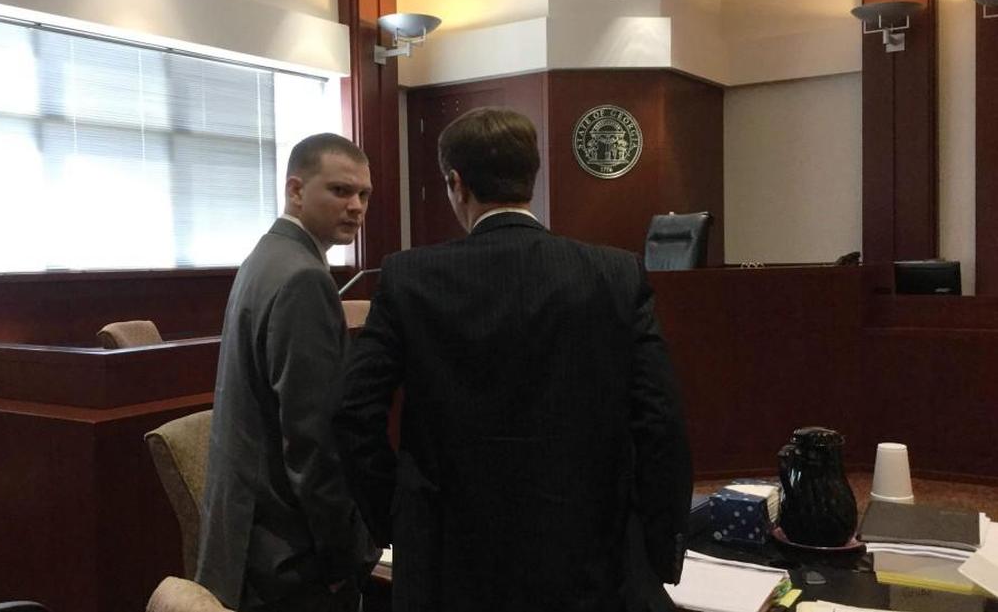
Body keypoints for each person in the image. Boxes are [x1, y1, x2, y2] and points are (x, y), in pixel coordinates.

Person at [333, 107, 693, 612]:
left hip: (444, 560)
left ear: (456, 183)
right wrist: (659, 549)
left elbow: (353, 413)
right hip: (587, 554)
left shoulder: (408, 277)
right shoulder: (615, 274)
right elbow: (660, 422)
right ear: (533, 175)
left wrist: (395, 518)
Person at [197, 133, 378, 612]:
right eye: (340, 191)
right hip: (287, 557)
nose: (356, 207)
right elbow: (312, 442)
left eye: (364, 195)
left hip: (248, 537)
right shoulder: (302, 277)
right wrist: (346, 559)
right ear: (296, 191)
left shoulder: (265, 256)